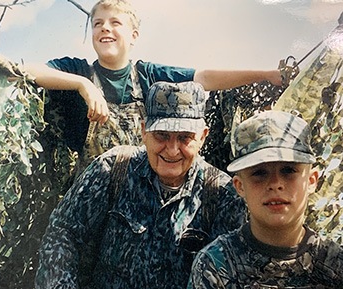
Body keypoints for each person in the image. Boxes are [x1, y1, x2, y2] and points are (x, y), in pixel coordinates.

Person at [23, 0, 283, 172]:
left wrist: (265, 74)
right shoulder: (77, 70)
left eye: (115, 23)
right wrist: (82, 85)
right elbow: (24, 71)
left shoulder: (148, 75)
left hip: (142, 197)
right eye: (97, 24)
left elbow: (204, 78)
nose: (105, 28)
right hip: (90, 203)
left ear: (134, 36)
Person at [35, 81, 247, 289]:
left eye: (185, 138)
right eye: (162, 135)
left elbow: (232, 272)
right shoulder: (113, 169)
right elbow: (62, 233)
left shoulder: (221, 194)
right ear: (144, 132)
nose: (172, 150)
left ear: (202, 137)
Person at [187, 110, 343, 289]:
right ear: (239, 186)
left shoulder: (335, 265)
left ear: (311, 180)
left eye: (288, 170)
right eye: (259, 172)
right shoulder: (216, 266)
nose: (275, 184)